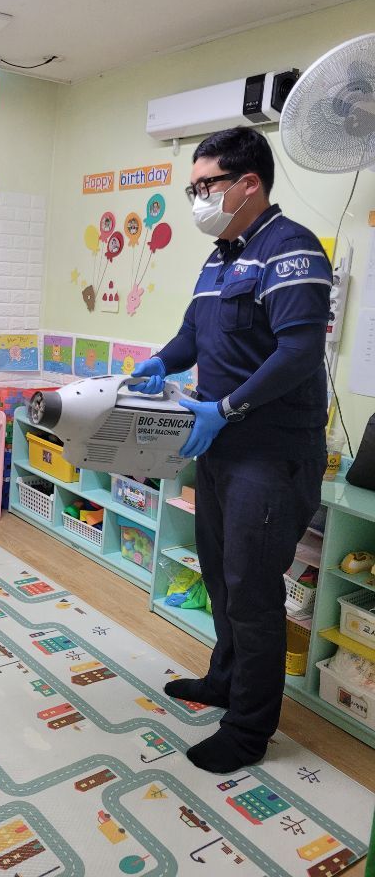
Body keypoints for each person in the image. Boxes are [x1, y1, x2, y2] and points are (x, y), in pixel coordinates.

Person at [130, 127, 331, 774]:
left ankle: (248, 730)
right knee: (218, 576)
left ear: (248, 183)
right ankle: (225, 679)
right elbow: (192, 336)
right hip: (218, 448)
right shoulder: (219, 258)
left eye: (205, 185)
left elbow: (298, 353)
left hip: (270, 456)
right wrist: (159, 363)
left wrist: (226, 409)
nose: (197, 199)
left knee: (252, 591)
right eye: (192, 188)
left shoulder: (291, 249)